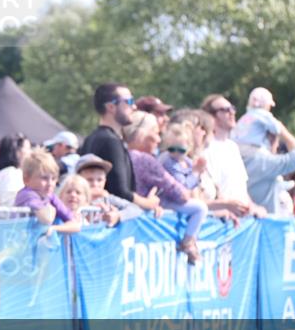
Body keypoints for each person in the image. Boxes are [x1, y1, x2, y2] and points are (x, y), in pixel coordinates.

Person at [124, 111, 207, 263]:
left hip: (138, 215)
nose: (158, 139)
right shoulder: (145, 159)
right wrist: (195, 174)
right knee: (200, 208)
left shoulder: (125, 154)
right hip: (140, 219)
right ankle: (188, 241)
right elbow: (181, 193)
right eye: (155, 133)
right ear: (142, 134)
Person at [78, 83, 160, 212]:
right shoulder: (110, 141)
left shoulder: (92, 137)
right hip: (110, 219)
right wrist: (148, 203)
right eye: (129, 101)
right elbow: (120, 191)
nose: (134, 106)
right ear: (111, 106)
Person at [200, 94, 257, 210]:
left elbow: (241, 188)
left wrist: (253, 207)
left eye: (232, 108)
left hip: (242, 220)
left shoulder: (232, 147)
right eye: (225, 110)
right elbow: (209, 191)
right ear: (212, 117)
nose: (232, 112)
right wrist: (225, 206)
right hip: (221, 220)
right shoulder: (206, 148)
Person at [14, 150, 82, 235]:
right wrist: (51, 209)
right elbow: (46, 218)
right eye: (44, 178)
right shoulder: (26, 194)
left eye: (53, 178)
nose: (50, 183)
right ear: (26, 179)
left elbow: (76, 225)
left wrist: (54, 228)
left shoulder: (49, 195)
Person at [0, 133, 31, 206]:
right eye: (28, 148)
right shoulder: (12, 174)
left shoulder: (5, 173)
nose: (31, 152)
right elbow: (9, 203)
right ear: (18, 152)